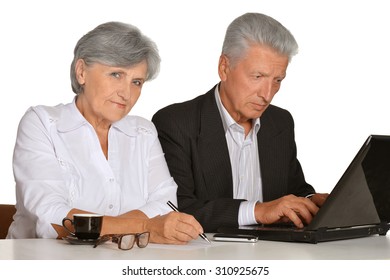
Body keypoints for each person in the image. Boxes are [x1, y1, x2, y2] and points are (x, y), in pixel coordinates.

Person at [7, 21, 203, 244]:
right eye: (116, 75)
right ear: (81, 72)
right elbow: (51, 218)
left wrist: (105, 229)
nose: (126, 93)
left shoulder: (143, 132)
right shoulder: (42, 123)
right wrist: (143, 227)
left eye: (136, 82)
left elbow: (164, 203)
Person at [152, 13, 328, 233]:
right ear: (224, 67)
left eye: (278, 80)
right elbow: (176, 207)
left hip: (275, 254)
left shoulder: (280, 122)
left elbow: (293, 190)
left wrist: (313, 201)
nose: (267, 94)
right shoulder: (176, 123)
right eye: (258, 77)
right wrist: (258, 211)